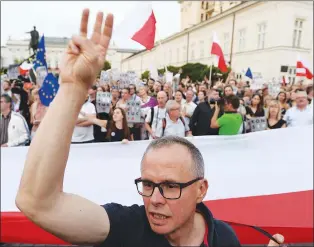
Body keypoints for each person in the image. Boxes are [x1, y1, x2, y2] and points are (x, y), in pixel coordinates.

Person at [15, 9, 284, 247]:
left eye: (169, 186)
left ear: (201, 190)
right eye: (147, 184)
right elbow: (37, 203)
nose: (154, 199)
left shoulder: (223, 238)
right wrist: (73, 89)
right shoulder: (128, 227)